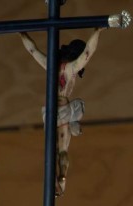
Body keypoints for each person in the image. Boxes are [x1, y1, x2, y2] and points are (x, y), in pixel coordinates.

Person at [20, 28, 104, 196]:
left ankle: (57, 180)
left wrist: (22, 33)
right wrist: (98, 30)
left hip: (49, 111)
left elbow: (32, 50)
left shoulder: (49, 65)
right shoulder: (72, 67)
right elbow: (89, 50)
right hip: (63, 109)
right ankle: (62, 178)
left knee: (52, 149)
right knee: (63, 150)